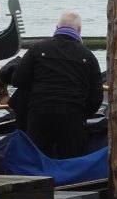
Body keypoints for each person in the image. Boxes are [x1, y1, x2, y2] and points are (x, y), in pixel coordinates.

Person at [9, 11, 103, 159]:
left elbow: (18, 80)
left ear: (56, 27)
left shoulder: (37, 49)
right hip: (72, 115)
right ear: (79, 30)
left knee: (37, 158)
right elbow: (96, 97)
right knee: (71, 160)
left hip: (39, 112)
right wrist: (82, 114)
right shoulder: (88, 56)